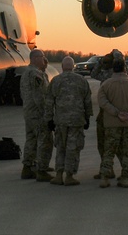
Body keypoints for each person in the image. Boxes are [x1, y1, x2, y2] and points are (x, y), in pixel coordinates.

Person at [96, 58, 128, 188]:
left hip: (112, 124)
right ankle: (125, 177)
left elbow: (102, 102)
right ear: (125, 69)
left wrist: (116, 113)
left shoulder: (106, 85)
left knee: (109, 151)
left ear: (113, 69)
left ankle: (105, 177)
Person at [44, 56, 93, 186]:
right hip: (77, 121)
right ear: (73, 66)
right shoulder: (81, 80)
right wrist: (88, 117)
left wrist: (49, 119)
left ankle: (59, 175)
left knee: (61, 147)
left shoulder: (55, 81)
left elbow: (49, 102)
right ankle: (69, 175)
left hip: (60, 121)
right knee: (73, 147)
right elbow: (87, 101)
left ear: (62, 67)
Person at [20, 49, 54, 181]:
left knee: (32, 140)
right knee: (45, 140)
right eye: (42, 57)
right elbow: (39, 96)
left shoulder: (28, 73)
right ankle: (42, 170)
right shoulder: (35, 74)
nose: (45, 60)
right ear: (34, 58)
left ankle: (27, 167)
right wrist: (47, 114)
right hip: (38, 113)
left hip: (29, 113)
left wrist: (44, 69)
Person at [90, 50, 120, 179]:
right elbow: (94, 73)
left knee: (105, 143)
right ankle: (115, 169)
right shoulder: (112, 74)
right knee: (108, 143)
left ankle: (108, 169)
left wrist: (100, 63)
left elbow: (94, 73)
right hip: (112, 112)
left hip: (109, 111)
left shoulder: (113, 74)